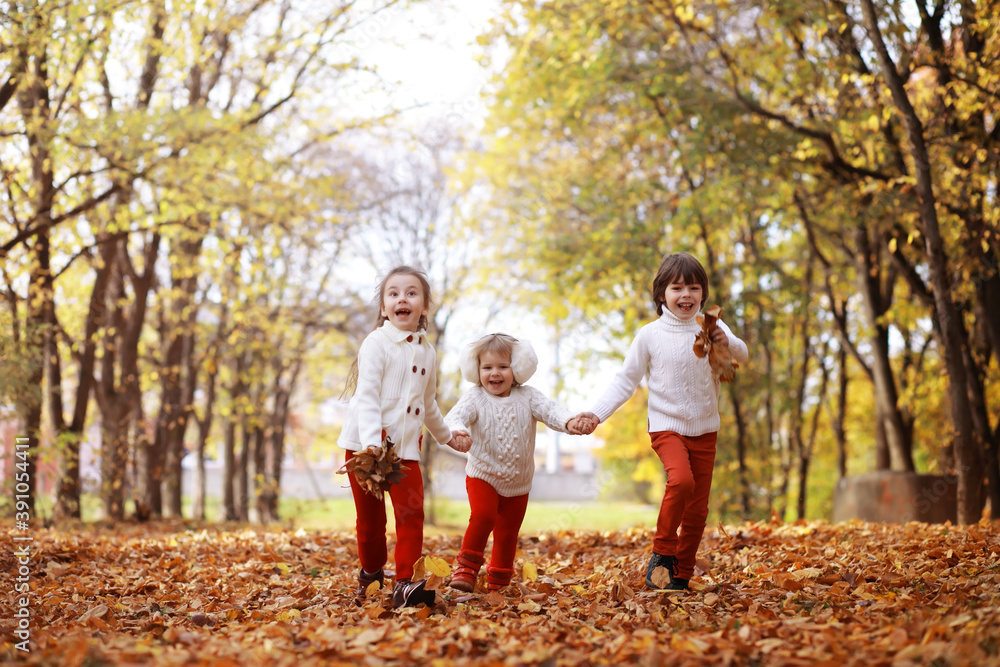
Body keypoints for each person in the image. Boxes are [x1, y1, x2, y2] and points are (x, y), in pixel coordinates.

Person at [585, 252, 749, 591]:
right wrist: (596, 414)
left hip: (706, 429)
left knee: (698, 509)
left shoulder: (712, 326)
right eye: (677, 288)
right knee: (682, 482)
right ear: (662, 294)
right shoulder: (650, 335)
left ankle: (681, 574)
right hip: (666, 426)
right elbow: (625, 380)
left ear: (703, 294)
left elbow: (742, 355)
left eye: (693, 287)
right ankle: (662, 552)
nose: (685, 295)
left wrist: (726, 341)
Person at [338, 265, 466, 609]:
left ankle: (405, 584)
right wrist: (370, 445)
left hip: (406, 450)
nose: (401, 299)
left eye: (411, 293)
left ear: (424, 306)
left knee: (412, 514)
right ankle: (370, 572)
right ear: (383, 307)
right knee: (371, 522)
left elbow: (428, 403)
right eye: (393, 294)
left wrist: (447, 437)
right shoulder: (376, 343)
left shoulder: (428, 352)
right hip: (365, 448)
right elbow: (366, 396)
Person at [444, 333, 597, 593]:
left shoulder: (528, 397)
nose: (495, 373)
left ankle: (499, 583)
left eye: (503, 367)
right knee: (483, 516)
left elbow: (551, 410)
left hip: (519, 482)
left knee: (507, 533)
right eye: (487, 367)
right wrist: (457, 433)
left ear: (517, 369)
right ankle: (466, 569)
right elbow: (454, 417)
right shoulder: (475, 397)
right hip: (483, 474)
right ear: (476, 370)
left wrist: (570, 422)